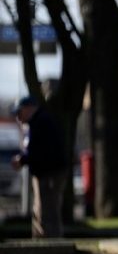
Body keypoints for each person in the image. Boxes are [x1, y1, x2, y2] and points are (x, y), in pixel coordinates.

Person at [11, 94, 68, 238]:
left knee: (47, 212)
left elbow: (41, 152)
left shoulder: (42, 122)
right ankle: (41, 241)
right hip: (44, 173)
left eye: (19, 112)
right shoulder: (35, 123)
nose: (18, 117)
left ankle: (51, 244)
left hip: (49, 174)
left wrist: (23, 160)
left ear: (29, 108)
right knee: (41, 210)